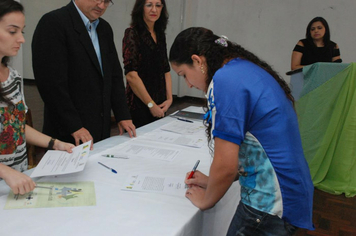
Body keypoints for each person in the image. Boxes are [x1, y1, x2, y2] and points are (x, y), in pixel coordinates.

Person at [169, 27, 314, 235]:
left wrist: (206, 200)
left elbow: (227, 165)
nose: (188, 85)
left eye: (184, 75)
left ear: (198, 61)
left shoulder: (224, 81)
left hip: (267, 204)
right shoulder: (241, 68)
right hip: (289, 192)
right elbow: (250, 147)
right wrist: (212, 182)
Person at [32, 0, 136, 149]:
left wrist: (122, 114)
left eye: (106, 1)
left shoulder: (104, 28)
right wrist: (74, 125)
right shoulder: (53, 23)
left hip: (100, 127)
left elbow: (114, 76)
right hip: (69, 132)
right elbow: (51, 85)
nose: (101, 6)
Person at [0, 0, 75, 195]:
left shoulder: (13, 76)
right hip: (8, 178)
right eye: (12, 31)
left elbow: (17, 127)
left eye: (22, 32)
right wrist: (5, 171)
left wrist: (55, 143)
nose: (21, 39)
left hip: (19, 181)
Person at [122, 0, 172, 128]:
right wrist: (151, 105)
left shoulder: (160, 34)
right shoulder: (132, 33)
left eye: (158, 5)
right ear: (141, 8)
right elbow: (131, 75)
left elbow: (165, 69)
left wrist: (169, 99)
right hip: (139, 105)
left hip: (160, 103)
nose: (154, 10)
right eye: (149, 5)